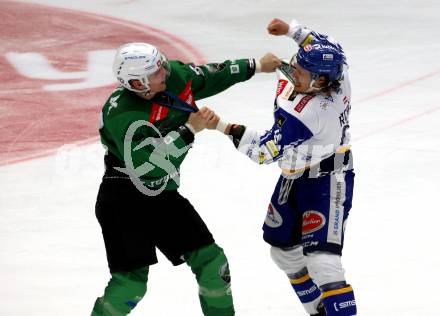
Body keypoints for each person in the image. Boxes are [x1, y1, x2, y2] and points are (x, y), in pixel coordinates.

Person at [91, 42, 281, 316]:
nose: (165, 72)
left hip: (161, 195)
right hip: (123, 198)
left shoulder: (173, 76)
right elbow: (149, 168)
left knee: (213, 265)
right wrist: (190, 129)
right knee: (130, 285)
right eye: (156, 73)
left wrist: (257, 65)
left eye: (162, 65)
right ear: (137, 82)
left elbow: (208, 75)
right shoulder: (123, 114)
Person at [214, 18, 357, 315]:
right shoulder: (336, 75)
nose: (293, 70)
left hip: (327, 180)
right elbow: (318, 44)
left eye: (301, 71)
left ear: (319, 81)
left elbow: (265, 151)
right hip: (296, 175)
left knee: (322, 262)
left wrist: (221, 126)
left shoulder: (308, 114)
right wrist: (292, 30)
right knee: (284, 253)